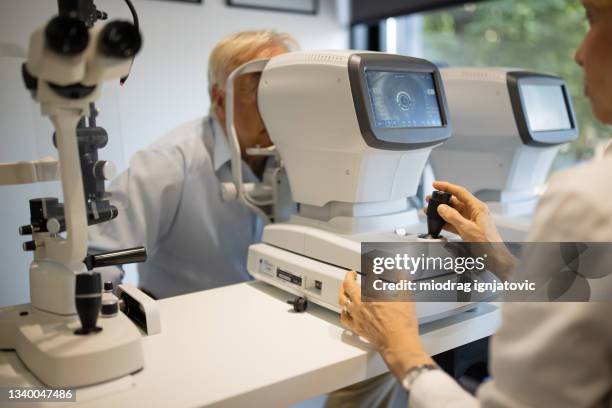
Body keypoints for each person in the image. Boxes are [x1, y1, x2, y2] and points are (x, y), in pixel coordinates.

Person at [339, 0, 612, 406]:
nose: (578, 52)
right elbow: (593, 300)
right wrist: (500, 257)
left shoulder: (588, 199)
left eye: (593, 19)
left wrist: (402, 350)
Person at [88, 31, 298, 299]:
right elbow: (95, 257)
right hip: (183, 328)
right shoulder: (170, 161)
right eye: (262, 85)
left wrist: (371, 294)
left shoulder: (301, 157)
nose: (279, 104)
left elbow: (365, 242)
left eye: (286, 88)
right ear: (220, 99)